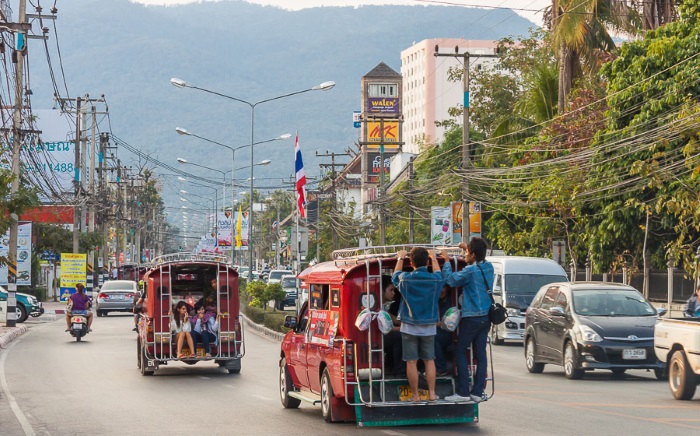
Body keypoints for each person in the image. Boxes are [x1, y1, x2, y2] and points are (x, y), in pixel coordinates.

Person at [440, 237, 493, 403]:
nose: (465, 255)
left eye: (467, 252)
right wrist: (466, 249)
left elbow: (451, 280)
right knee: (480, 354)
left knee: (460, 351)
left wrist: (447, 261)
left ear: (474, 254)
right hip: (486, 317)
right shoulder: (488, 267)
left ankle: (463, 392)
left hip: (471, 318)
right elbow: (476, 260)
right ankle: (477, 391)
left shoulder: (470, 271)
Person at [392, 247, 444, 402]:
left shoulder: (405, 279)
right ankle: (432, 393)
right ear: (427, 261)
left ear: (411, 262)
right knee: (429, 360)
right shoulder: (435, 280)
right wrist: (434, 257)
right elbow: (439, 275)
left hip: (409, 326)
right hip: (429, 327)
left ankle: (415, 395)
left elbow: (395, 276)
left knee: (411, 362)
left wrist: (400, 258)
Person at [382, 282, 405, 376]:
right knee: (399, 336)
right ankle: (399, 369)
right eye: (391, 290)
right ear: (382, 291)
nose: (393, 293)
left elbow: (392, 318)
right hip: (379, 338)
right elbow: (388, 328)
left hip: (385, 336)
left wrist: (411, 324)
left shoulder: (382, 306)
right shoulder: (376, 306)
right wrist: (404, 328)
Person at [434, 284, 454, 376]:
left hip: (448, 334)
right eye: (439, 287)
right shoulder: (434, 301)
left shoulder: (451, 303)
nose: (441, 290)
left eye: (443, 287)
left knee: (432, 338)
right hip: (436, 331)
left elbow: (447, 323)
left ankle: (441, 368)